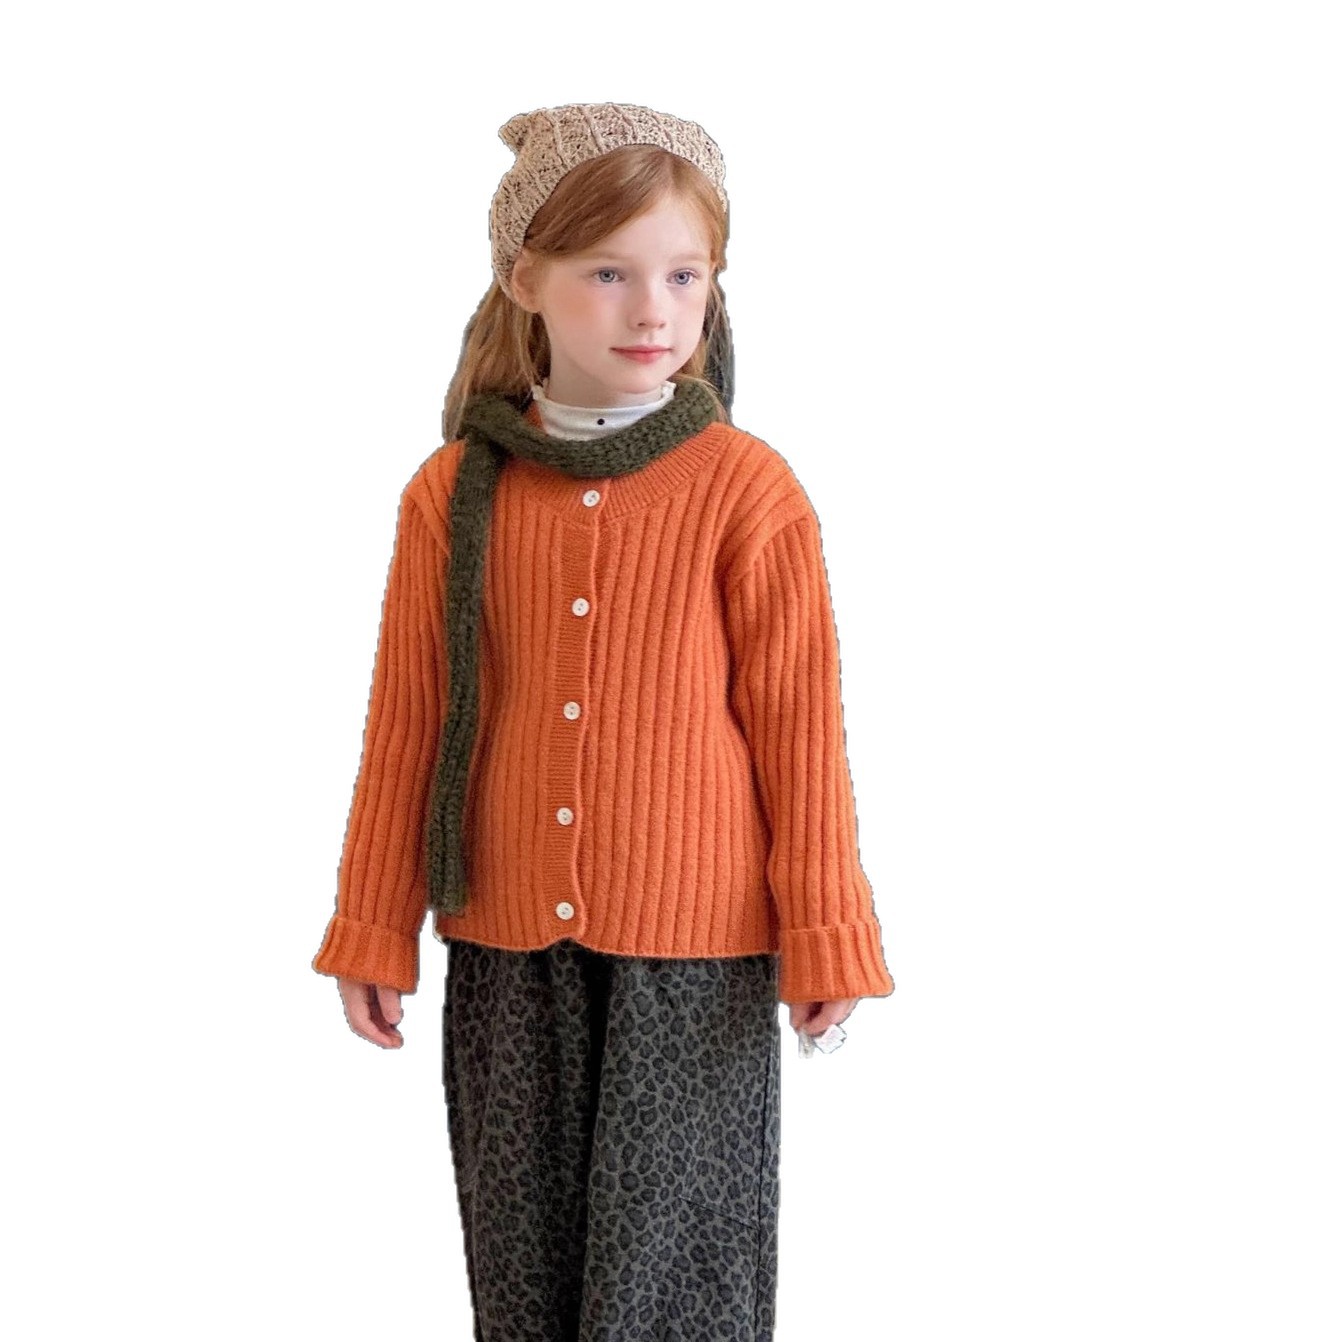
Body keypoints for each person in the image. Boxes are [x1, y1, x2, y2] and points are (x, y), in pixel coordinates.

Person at [311, 101, 896, 1341]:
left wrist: (827, 930)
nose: (652, 311)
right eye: (608, 273)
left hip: (697, 963)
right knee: (523, 1286)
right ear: (524, 279)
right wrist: (373, 920)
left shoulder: (745, 489)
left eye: (685, 275)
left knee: (675, 1295)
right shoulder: (452, 492)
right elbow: (409, 720)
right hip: (505, 952)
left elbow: (799, 728)